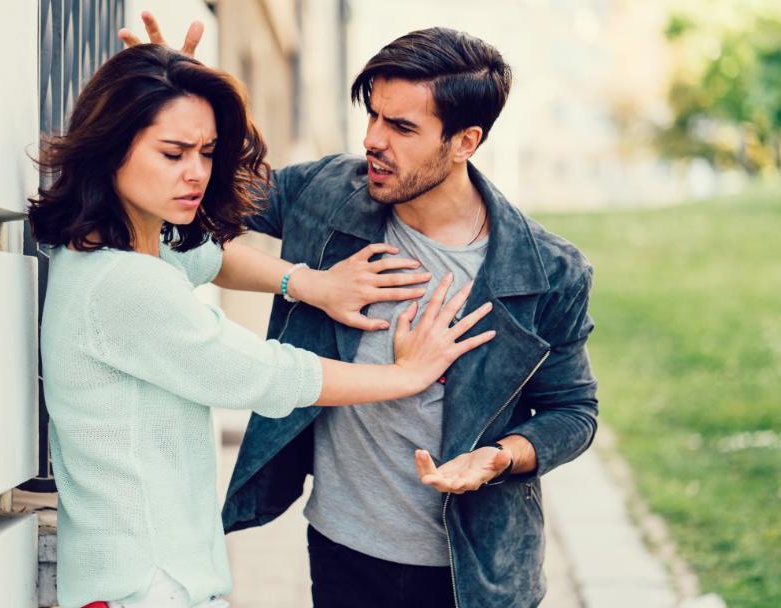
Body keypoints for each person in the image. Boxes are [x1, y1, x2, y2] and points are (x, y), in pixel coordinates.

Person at [121, 17, 598, 608]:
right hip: (341, 548)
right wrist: (177, 100)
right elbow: (202, 191)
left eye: (402, 127)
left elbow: (573, 411)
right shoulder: (329, 191)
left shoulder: (547, 272)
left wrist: (500, 457)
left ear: (465, 142)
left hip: (473, 573)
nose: (374, 139)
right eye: (373, 115)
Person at [28, 44, 497, 608]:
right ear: (111, 148)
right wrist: (406, 375)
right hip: (149, 584)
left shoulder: (112, 253)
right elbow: (266, 375)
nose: (196, 173)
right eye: (173, 153)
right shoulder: (128, 284)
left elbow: (208, 256)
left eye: (206, 152)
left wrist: (306, 283)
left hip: (142, 576)